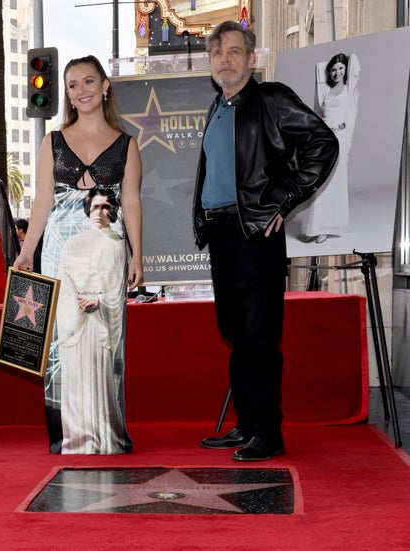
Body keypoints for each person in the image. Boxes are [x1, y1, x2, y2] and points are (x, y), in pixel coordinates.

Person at [193, 21, 339, 461]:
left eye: (234, 51)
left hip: (255, 231)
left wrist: (284, 198)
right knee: (236, 334)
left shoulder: (271, 99)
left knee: (259, 335)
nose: (225, 59)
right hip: (221, 232)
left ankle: (269, 433)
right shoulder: (215, 107)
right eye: (218, 53)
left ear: (251, 59)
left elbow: (323, 142)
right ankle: (246, 424)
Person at [13, 55, 143, 455]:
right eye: (72, 85)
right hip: (59, 252)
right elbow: (42, 202)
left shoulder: (127, 144)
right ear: (67, 93)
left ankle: (108, 433)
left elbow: (133, 203)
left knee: (107, 338)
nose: (81, 90)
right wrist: (27, 252)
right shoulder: (53, 141)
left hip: (107, 251)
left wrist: (138, 255)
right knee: (62, 339)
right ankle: (67, 435)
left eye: (89, 81)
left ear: (105, 86)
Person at [55, 188, 128, 453]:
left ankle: (104, 440)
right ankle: (77, 440)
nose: (100, 212)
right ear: (88, 209)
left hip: (100, 324)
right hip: (76, 324)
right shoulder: (73, 243)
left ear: (113, 212)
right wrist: (77, 300)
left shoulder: (118, 244)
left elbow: (117, 286)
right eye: (96, 207)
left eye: (106, 207)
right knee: (75, 380)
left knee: (101, 380)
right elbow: (64, 278)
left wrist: (100, 301)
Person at [300, 52, 360, 244]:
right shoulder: (325, 90)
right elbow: (319, 68)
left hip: (340, 138)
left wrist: (348, 144)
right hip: (324, 139)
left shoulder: (350, 90)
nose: (336, 73)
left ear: (346, 70)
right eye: (333, 69)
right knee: (320, 181)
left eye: (341, 68)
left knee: (334, 183)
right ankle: (314, 227)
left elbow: (354, 63)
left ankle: (327, 228)